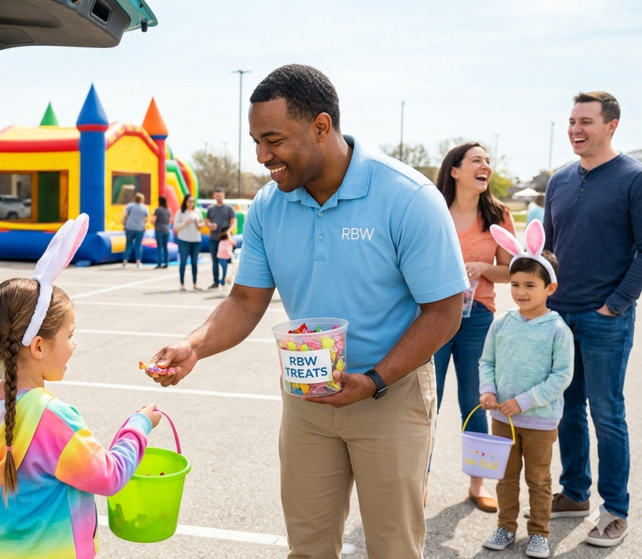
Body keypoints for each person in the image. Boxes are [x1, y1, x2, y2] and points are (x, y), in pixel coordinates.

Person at [146, 64, 468, 558]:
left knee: (394, 548)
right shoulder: (270, 206)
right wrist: (194, 345)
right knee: (308, 548)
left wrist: (376, 379)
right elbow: (245, 300)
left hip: (391, 396)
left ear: (322, 126)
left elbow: (444, 312)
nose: (261, 157)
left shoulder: (408, 197)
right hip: (307, 398)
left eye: (272, 140)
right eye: (255, 141)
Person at [0, 216, 161, 559]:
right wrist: (137, 426)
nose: (74, 345)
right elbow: (109, 477)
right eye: (70, 335)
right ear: (38, 346)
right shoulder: (51, 419)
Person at [544, 91, 642, 547]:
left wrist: (616, 304)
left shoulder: (633, 178)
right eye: (571, 121)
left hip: (606, 318)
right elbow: (548, 249)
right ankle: (575, 493)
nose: (575, 129)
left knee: (607, 414)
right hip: (560, 315)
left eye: (585, 121)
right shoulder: (559, 181)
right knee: (566, 410)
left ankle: (615, 510)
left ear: (611, 125)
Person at [479, 221, 573, 559]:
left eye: (530, 285)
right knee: (504, 478)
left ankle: (539, 532)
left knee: (538, 480)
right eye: (515, 284)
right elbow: (486, 362)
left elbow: (561, 377)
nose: (520, 292)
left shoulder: (557, 329)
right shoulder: (502, 323)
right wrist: (488, 391)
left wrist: (523, 401)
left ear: (550, 288)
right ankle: (506, 526)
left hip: (540, 422)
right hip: (502, 418)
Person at [432, 142, 515, 512]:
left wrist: (482, 269)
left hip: (477, 317)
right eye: (476, 160)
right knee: (423, 404)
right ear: (455, 170)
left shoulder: (498, 215)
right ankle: (417, 481)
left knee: (474, 402)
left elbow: (515, 270)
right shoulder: (432, 210)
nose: (486, 166)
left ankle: (478, 485)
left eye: (488, 161)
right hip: (430, 317)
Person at [205, 188, 237, 289]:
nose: (219, 197)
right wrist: (210, 225)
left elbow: (234, 222)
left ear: (224, 196)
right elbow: (206, 221)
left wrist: (228, 231)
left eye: (220, 195)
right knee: (214, 261)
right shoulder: (211, 209)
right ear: (214, 196)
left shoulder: (229, 209)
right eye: (217, 196)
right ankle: (216, 281)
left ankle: (226, 281)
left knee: (227, 262)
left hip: (225, 241)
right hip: (214, 239)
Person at [174, 194, 204, 291]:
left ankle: (195, 283)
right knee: (183, 262)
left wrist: (198, 224)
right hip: (184, 240)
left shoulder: (197, 211)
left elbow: (202, 224)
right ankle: (182, 284)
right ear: (185, 202)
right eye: (189, 201)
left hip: (196, 240)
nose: (191, 203)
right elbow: (176, 227)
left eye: (192, 201)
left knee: (194, 262)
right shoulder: (180, 212)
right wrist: (185, 223)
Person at [122, 192, 149, 268]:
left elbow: (125, 215)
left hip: (130, 227)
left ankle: (125, 262)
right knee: (138, 245)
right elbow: (146, 219)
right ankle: (138, 262)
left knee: (128, 245)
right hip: (140, 228)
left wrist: (123, 223)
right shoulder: (144, 208)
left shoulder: (130, 206)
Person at [151, 195, 172, 269]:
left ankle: (159, 263)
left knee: (159, 247)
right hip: (166, 230)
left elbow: (153, 221)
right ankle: (166, 262)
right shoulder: (168, 210)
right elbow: (170, 220)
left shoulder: (158, 210)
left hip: (159, 230)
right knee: (165, 247)